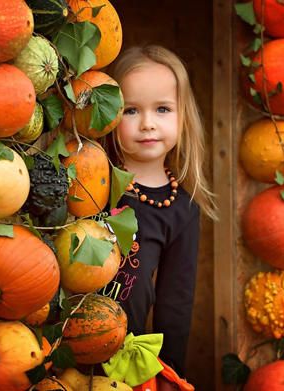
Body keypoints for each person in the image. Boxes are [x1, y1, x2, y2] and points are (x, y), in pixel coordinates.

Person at [99, 44, 217, 387]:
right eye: (132, 110)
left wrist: (171, 372)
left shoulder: (182, 206)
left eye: (163, 109)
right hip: (65, 339)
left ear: (184, 117)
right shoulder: (95, 180)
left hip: (123, 357)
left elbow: (175, 300)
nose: (147, 124)